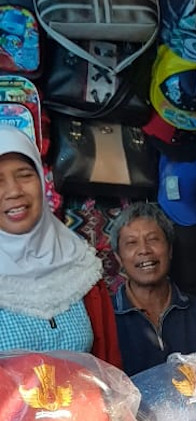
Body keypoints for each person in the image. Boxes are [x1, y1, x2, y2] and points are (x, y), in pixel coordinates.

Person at [0, 126, 121, 367]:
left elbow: (109, 368)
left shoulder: (81, 267)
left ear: (41, 180)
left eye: (25, 175)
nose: (14, 191)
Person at [110, 202, 196, 376]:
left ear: (170, 249)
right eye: (131, 243)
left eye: (152, 239)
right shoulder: (107, 318)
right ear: (119, 258)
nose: (144, 250)